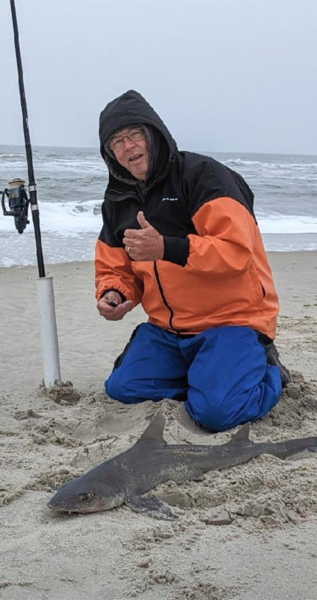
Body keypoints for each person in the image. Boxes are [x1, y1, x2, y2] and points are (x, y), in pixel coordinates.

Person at [94, 89, 290, 433]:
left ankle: (267, 369)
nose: (128, 147)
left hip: (231, 322)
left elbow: (236, 252)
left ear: (153, 134)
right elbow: (115, 267)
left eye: (134, 134)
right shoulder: (118, 200)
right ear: (110, 153)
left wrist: (168, 248)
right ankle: (209, 375)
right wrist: (115, 292)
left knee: (215, 414)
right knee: (122, 389)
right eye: (116, 142)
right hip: (169, 330)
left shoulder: (203, 176)